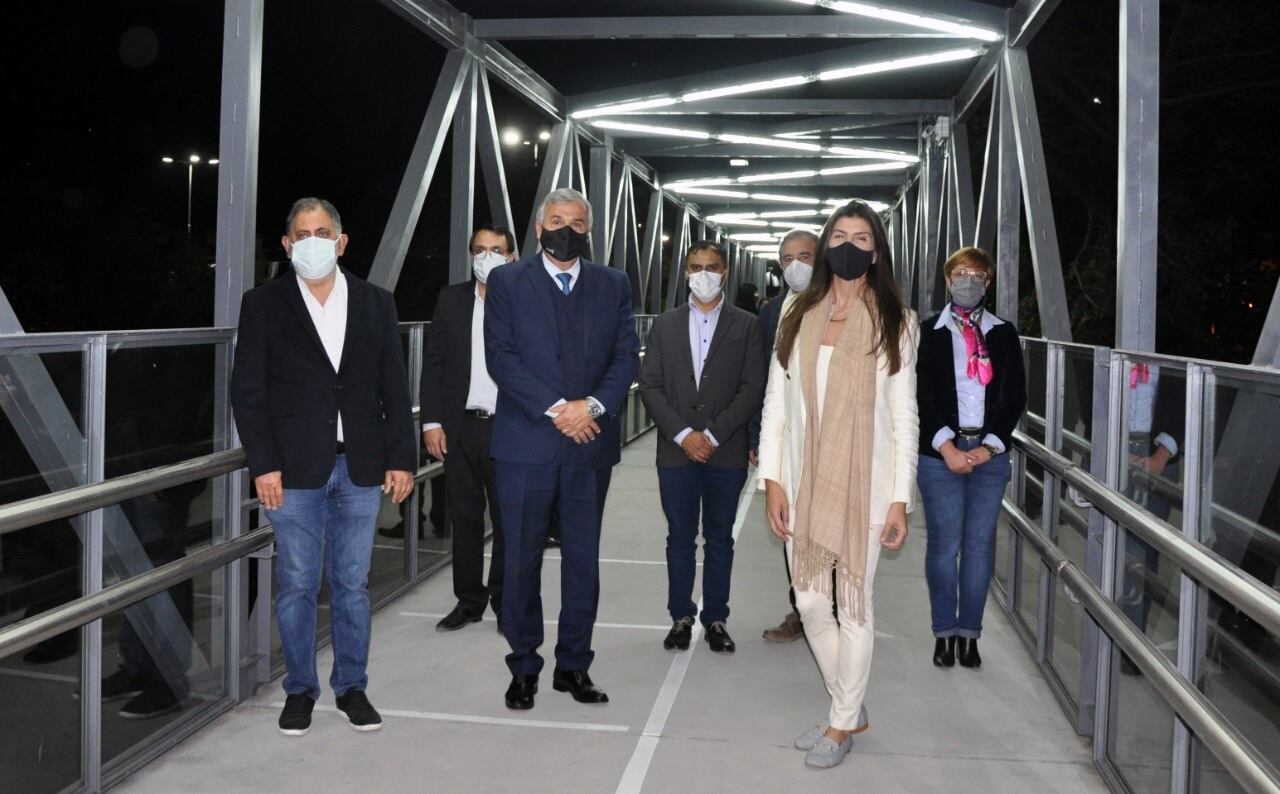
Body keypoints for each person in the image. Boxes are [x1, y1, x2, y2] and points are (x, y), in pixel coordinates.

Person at [231, 198, 416, 736]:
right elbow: (248, 392)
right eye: (302, 233)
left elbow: (393, 387)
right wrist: (262, 465)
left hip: (360, 465)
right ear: (288, 245)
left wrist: (401, 458)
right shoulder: (263, 304)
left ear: (342, 240)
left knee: (353, 584)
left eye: (323, 231)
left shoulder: (376, 302)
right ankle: (300, 690)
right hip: (292, 471)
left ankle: (352, 687)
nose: (313, 240)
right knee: (295, 584)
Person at [758, 201, 918, 769]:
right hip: (801, 481)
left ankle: (840, 721)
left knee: (854, 607)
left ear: (876, 251)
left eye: (862, 237)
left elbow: (904, 416)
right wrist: (772, 480)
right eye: (841, 236)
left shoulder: (898, 320)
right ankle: (849, 708)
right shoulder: (797, 314)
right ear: (828, 245)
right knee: (809, 602)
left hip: (866, 488)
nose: (850, 246)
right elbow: (777, 404)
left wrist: (901, 495)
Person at [484, 187, 640, 710]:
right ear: (537, 227)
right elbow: (501, 358)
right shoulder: (506, 281)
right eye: (555, 220)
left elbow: (625, 356)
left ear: (588, 230)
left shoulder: (613, 284)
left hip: (588, 447)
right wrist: (559, 410)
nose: (565, 230)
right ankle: (523, 665)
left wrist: (591, 407)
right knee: (521, 561)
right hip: (525, 444)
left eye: (576, 222)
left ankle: (573, 665)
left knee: (582, 563)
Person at [639, 241, 765, 654]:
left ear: (725, 271)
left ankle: (716, 618)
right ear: (685, 273)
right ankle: (680, 616)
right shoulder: (665, 324)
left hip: (724, 453)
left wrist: (710, 435)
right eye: (696, 267)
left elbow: (751, 388)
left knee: (719, 539)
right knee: (679, 537)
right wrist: (683, 435)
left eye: (712, 266)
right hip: (675, 453)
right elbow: (651, 385)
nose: (704, 274)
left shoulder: (746, 325)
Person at [915, 246, 1026, 670]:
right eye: (960, 273)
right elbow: (922, 395)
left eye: (977, 274)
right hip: (938, 455)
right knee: (945, 547)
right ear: (947, 280)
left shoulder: (1003, 333)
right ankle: (944, 632)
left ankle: (970, 635)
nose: (968, 280)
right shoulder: (928, 332)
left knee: (979, 547)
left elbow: (1015, 395)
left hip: (990, 454)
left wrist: (988, 446)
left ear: (988, 283)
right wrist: (947, 447)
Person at [420, 225, 516, 634]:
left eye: (496, 249)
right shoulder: (451, 299)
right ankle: (469, 600)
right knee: (465, 518)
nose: (487, 256)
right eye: (480, 249)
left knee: (511, 520)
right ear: (470, 255)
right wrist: (432, 421)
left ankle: (506, 601)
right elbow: (435, 363)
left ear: (512, 256)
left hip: (511, 428)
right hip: (461, 427)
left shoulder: (525, 299)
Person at [754, 230, 819, 643]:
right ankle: (801, 610)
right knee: (789, 528)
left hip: (834, 441)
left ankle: (832, 609)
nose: (795, 265)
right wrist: (757, 443)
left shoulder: (849, 305)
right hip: (789, 441)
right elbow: (762, 378)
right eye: (787, 259)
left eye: (805, 256)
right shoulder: (771, 314)